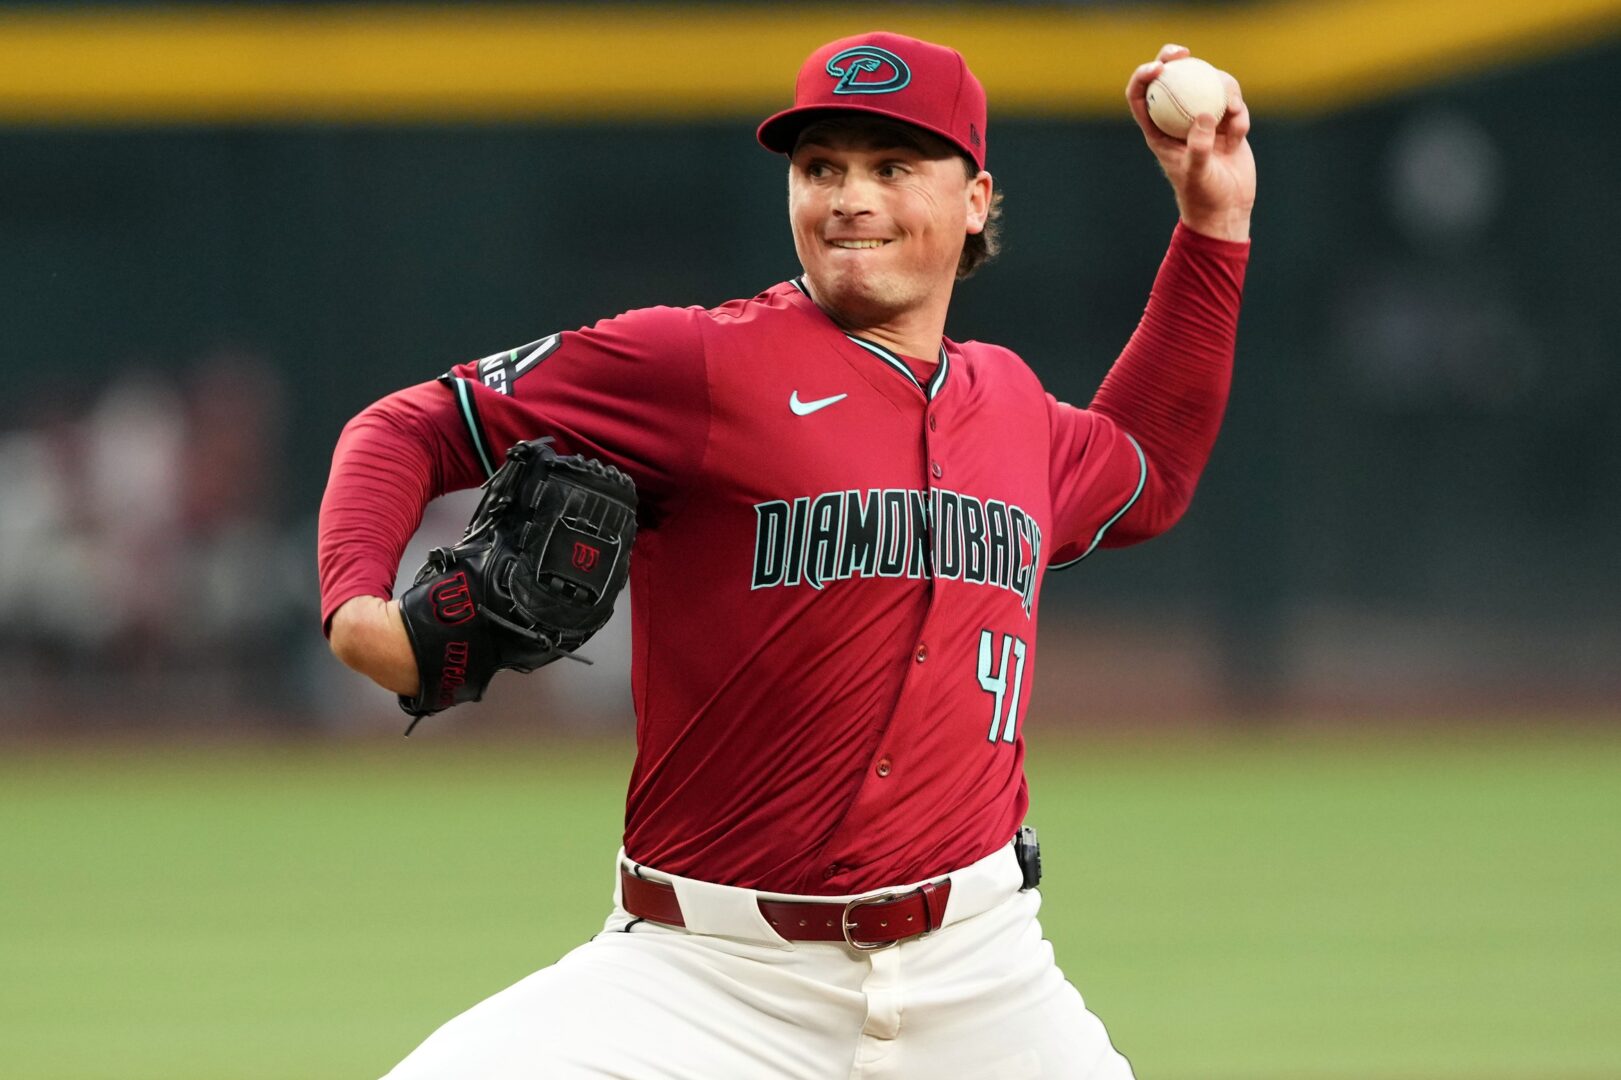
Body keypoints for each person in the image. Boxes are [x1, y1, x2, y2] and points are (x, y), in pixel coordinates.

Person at [319, 31, 1253, 1079]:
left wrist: (1212, 222)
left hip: (982, 975)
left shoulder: (1013, 408)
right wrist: (358, 608)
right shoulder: (696, 363)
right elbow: (406, 427)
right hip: (705, 976)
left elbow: (1146, 468)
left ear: (976, 200)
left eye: (891, 167)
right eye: (820, 168)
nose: (850, 198)